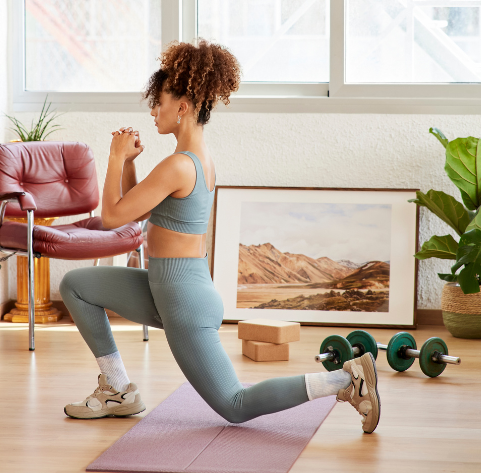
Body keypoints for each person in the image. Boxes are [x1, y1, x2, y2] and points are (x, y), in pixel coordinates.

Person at [59, 39, 381, 433]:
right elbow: (137, 211)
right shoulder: (196, 160)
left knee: (235, 405)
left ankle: (347, 381)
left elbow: (111, 217)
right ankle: (118, 389)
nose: (153, 111)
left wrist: (112, 156)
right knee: (77, 284)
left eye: (159, 102)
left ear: (183, 107)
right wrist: (128, 165)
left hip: (183, 302)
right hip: (173, 288)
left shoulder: (178, 165)